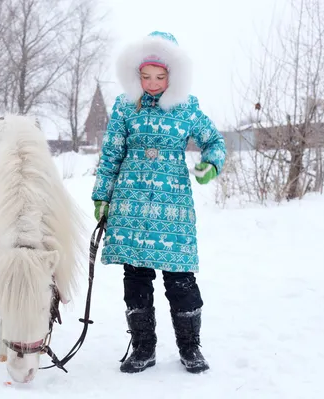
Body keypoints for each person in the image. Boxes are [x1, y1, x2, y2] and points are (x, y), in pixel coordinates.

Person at [91, 31, 226, 374]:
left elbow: (213, 141)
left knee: (180, 279)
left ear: (173, 76)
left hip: (173, 207)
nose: (152, 83)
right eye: (146, 76)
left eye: (160, 76)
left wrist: (211, 165)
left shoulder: (186, 107)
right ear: (136, 74)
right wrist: (101, 196)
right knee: (135, 278)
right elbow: (111, 154)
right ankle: (143, 348)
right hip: (130, 205)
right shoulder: (125, 107)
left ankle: (190, 347)